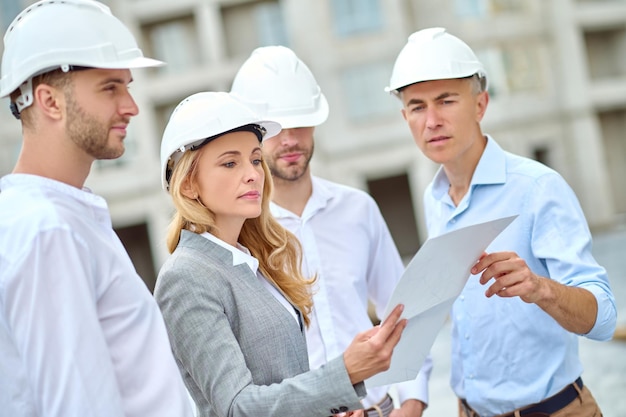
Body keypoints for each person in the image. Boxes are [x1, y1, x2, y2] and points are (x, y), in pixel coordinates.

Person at [386, 27, 617, 417]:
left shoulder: (538, 188)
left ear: (480, 105)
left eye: (446, 100)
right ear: (405, 116)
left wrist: (539, 287)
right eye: (417, 106)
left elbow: (605, 319)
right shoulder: (434, 198)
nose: (432, 120)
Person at [156, 90, 408, 417]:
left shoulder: (252, 260)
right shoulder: (187, 276)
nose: (252, 173)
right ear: (188, 184)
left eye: (256, 159)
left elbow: (282, 383)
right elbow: (237, 407)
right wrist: (345, 373)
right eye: (230, 162)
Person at [0, 1, 193, 416]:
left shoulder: (53, 216)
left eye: (128, 85)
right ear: (50, 102)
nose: (131, 106)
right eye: (110, 88)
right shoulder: (47, 229)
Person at [229, 45, 432, 417]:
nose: (290, 139)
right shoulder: (237, 238)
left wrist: (413, 403)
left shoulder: (358, 209)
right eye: (275, 129)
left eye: (300, 121)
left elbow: (404, 313)